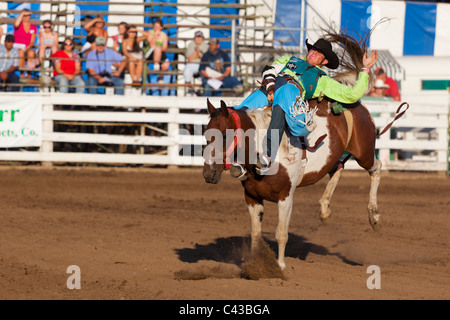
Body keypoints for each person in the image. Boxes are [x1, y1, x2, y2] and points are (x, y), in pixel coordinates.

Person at [235, 38, 378, 174]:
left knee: (285, 92)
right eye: (313, 49)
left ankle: (268, 155)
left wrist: (365, 69)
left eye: (318, 52)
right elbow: (270, 69)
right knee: (239, 111)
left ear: (325, 61)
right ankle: (234, 153)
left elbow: (352, 95)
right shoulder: (290, 60)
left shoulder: (323, 80)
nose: (313, 52)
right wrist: (271, 87)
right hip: (270, 89)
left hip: (291, 96)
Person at [184, 30, 208, 95]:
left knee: (205, 73)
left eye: (200, 37)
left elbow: (204, 59)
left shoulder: (205, 45)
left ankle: (203, 90)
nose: (198, 39)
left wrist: (198, 53)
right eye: (197, 37)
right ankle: (190, 90)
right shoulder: (191, 44)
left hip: (202, 64)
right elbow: (190, 59)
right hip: (192, 64)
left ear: (202, 38)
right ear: (194, 38)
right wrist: (196, 52)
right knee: (186, 72)